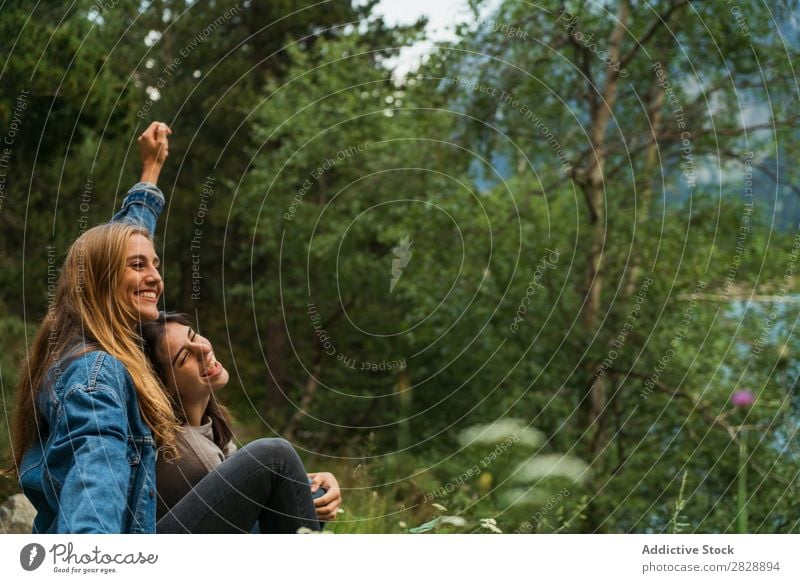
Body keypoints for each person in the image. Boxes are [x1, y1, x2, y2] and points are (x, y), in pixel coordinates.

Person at [5, 122, 178, 533]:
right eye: (139, 266)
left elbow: (119, 242)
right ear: (100, 283)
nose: (155, 276)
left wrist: (150, 173)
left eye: (156, 264)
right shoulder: (95, 375)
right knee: (272, 459)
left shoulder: (78, 340)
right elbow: (95, 484)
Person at [140, 312, 342, 533]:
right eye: (184, 356)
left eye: (193, 335)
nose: (204, 349)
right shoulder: (192, 454)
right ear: (164, 386)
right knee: (275, 457)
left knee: (314, 494)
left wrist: (318, 481)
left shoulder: (206, 426)